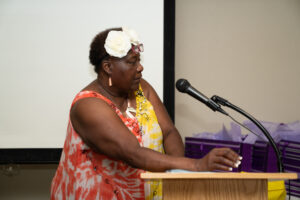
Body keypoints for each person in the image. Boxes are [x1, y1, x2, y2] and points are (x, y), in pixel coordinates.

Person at [50, 27, 241, 200]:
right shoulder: (88, 106)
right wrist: (196, 166)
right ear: (108, 67)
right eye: (132, 62)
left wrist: (178, 176)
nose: (140, 67)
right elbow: (132, 153)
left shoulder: (142, 88)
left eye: (139, 61)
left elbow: (169, 132)